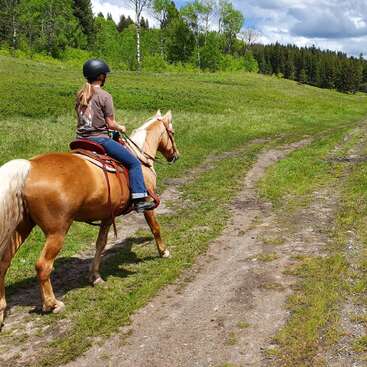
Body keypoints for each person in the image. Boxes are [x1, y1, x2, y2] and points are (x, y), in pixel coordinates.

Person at [75, 59, 155, 213]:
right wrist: (121, 127)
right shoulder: (104, 96)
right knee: (133, 163)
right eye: (105, 75)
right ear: (101, 76)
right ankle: (139, 199)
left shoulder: (80, 95)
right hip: (99, 139)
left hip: (79, 140)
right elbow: (110, 123)